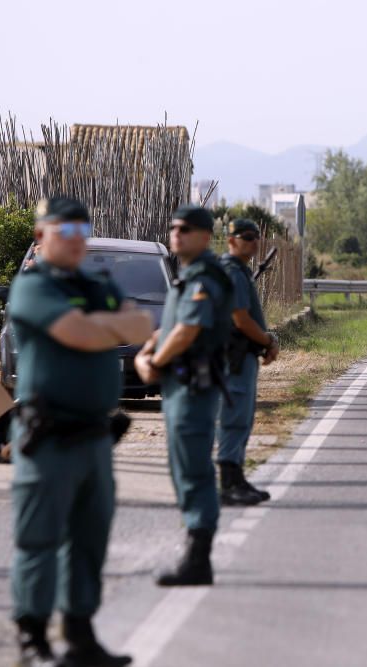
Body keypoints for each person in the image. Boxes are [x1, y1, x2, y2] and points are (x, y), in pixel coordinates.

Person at [7, 196, 152, 666]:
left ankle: (80, 635)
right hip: (48, 436)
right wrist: (111, 326)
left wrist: (105, 323)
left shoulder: (94, 282)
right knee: (40, 539)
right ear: (40, 236)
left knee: (89, 541)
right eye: (64, 232)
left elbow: (143, 323)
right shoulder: (32, 287)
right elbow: (84, 334)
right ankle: (33, 638)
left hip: (95, 435)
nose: (75, 241)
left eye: (81, 231)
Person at [135, 205, 234, 586]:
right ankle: (194, 549)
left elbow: (187, 331)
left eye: (186, 228)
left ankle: (198, 558)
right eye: (174, 227)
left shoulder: (205, 277)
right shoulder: (187, 275)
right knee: (182, 467)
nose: (177, 233)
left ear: (206, 236)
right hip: (179, 386)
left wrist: (154, 363)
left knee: (193, 469)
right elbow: (169, 328)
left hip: (194, 386)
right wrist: (147, 352)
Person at [217, 219, 279, 506]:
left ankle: (238, 478)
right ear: (231, 240)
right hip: (235, 358)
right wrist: (266, 340)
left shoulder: (239, 271)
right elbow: (240, 318)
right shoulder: (231, 272)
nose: (253, 242)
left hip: (244, 357)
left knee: (243, 419)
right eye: (246, 237)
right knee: (234, 419)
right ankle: (229, 483)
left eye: (255, 237)